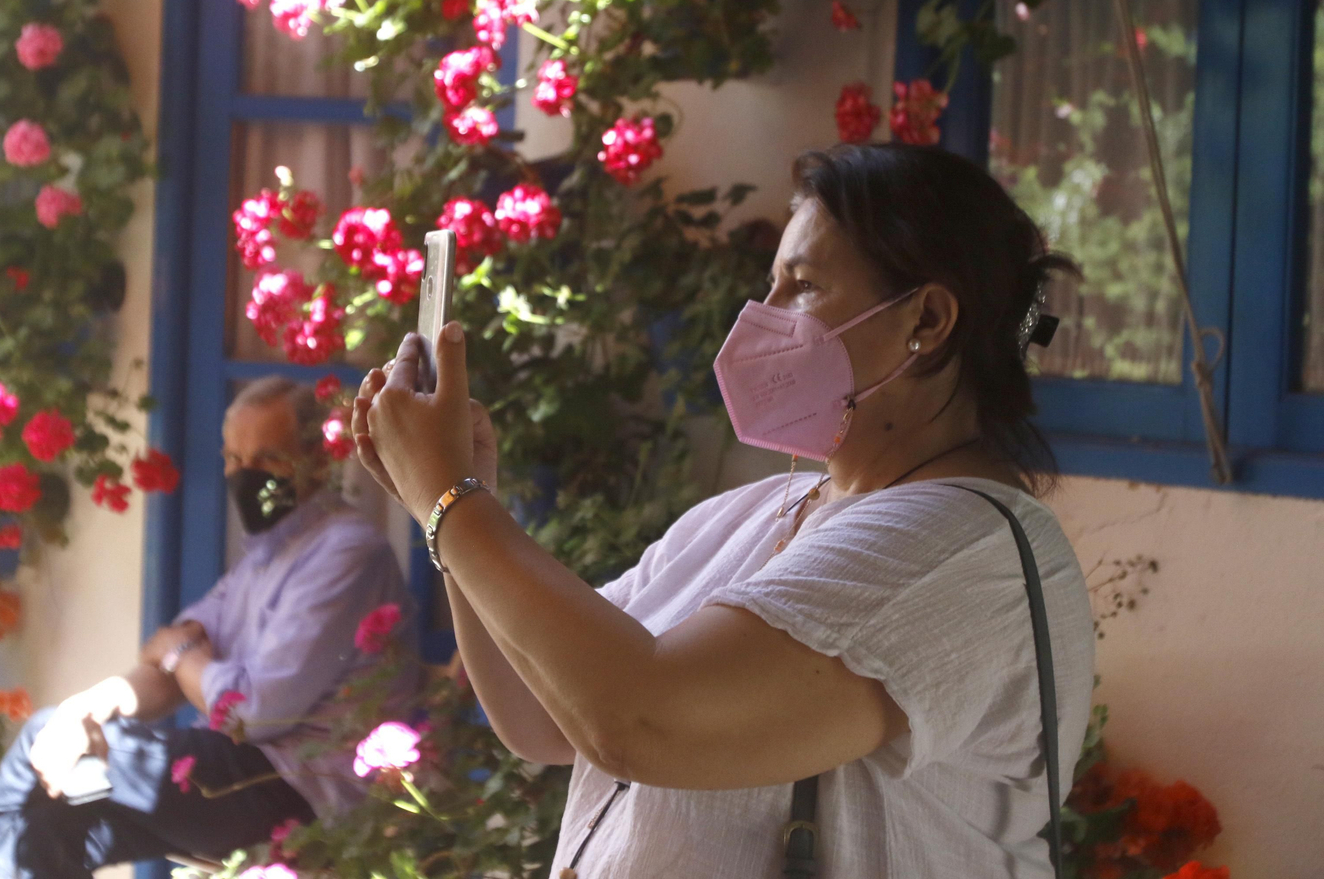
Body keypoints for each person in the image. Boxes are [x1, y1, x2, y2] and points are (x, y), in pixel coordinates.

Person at [353, 143, 1096, 878]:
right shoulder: (757, 512)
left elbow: (641, 719)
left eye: (802, 285)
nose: (762, 317)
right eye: (771, 284)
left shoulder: (961, 548)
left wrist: (450, 500)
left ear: (927, 320)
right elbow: (543, 712)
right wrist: (453, 500)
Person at [0, 376, 417, 879]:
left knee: (46, 733)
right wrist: (88, 708)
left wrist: (180, 656)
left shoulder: (345, 552)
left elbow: (253, 713)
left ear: (317, 460)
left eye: (267, 458)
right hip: (241, 777)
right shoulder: (265, 559)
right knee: (57, 811)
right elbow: (166, 667)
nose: (245, 474)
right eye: (234, 459)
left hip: (302, 793)